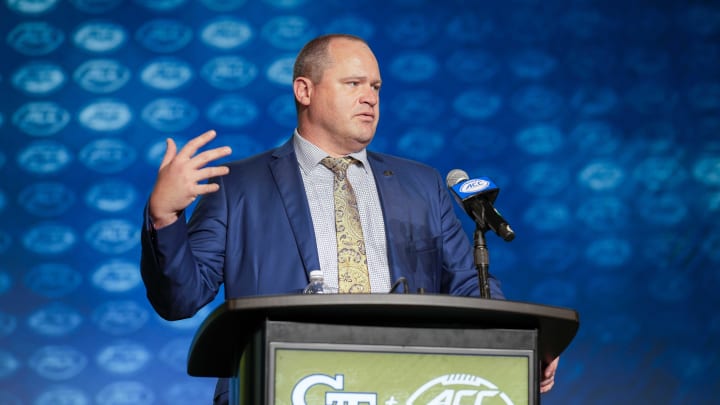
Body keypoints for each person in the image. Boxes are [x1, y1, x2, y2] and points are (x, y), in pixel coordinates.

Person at [140, 33, 558, 404]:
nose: (370, 97)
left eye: (375, 86)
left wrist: (519, 343)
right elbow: (181, 298)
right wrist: (166, 216)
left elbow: (468, 286)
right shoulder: (240, 187)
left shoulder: (421, 184)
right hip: (282, 385)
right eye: (354, 83)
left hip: (407, 386)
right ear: (305, 90)